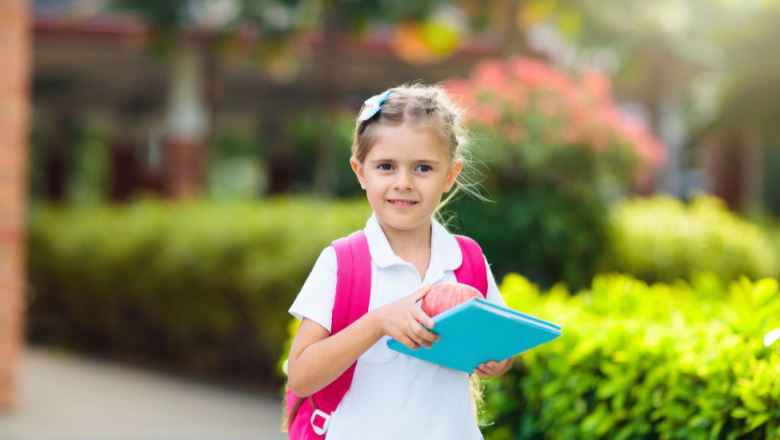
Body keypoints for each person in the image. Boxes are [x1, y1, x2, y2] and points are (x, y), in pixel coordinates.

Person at [286, 84, 512, 440]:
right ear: (360, 172)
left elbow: (498, 351)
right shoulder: (342, 264)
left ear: (450, 175)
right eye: (386, 167)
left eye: (423, 167)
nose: (403, 183)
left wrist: (494, 361)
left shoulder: (467, 260)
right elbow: (300, 376)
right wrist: (377, 323)